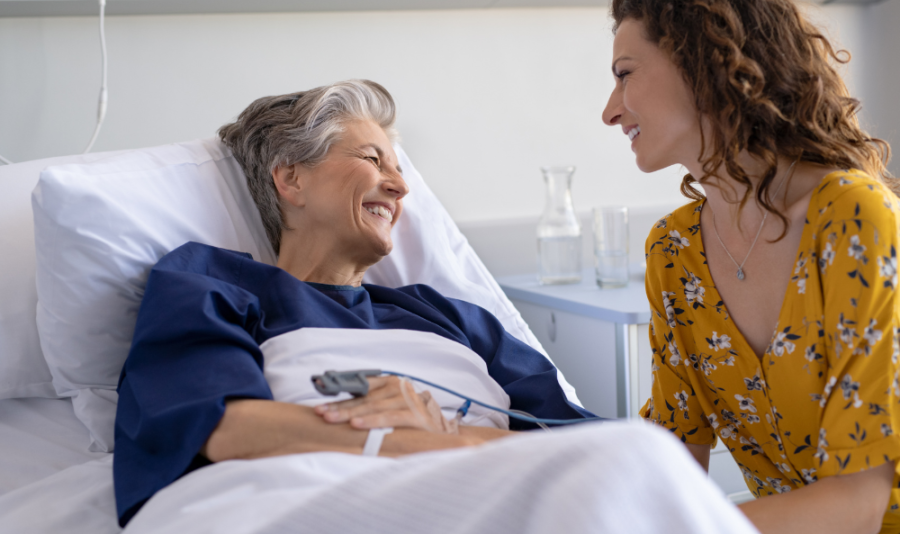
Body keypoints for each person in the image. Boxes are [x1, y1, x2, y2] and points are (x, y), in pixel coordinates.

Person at [111, 79, 593, 527]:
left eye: (399, 170)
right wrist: (417, 442)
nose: (401, 187)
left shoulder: (448, 316)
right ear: (291, 180)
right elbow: (221, 427)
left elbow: (584, 445)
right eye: (373, 159)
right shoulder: (213, 283)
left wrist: (449, 437)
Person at [602, 0, 900, 533]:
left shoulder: (852, 217)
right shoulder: (675, 252)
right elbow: (672, 463)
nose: (610, 111)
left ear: (703, 62)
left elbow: (858, 507)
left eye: (624, 73)